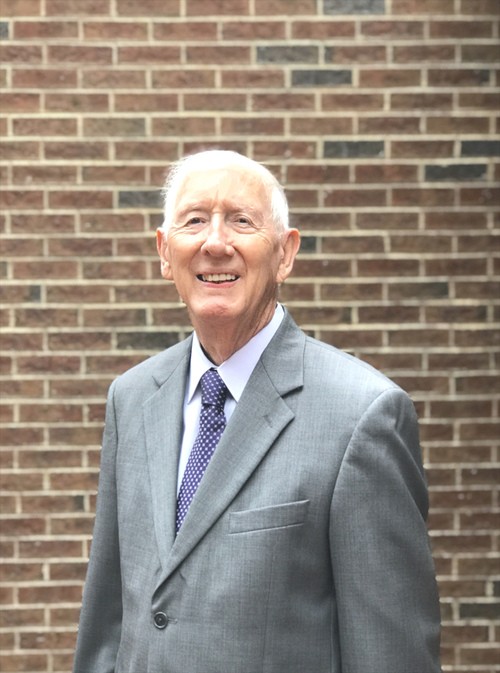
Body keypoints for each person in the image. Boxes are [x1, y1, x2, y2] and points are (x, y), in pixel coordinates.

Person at [72, 150, 442, 673]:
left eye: (241, 221)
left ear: (285, 253)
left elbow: (390, 654)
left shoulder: (363, 415)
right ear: (164, 251)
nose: (215, 243)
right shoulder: (131, 399)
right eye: (194, 221)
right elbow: (108, 622)